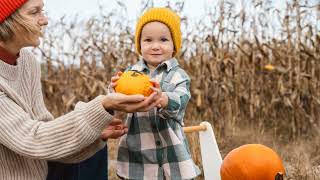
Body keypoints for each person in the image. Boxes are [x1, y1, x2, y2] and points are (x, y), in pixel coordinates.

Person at [0, 0, 161, 180]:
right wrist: (103, 104)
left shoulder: (27, 61)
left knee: (90, 140)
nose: (44, 20)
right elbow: (33, 139)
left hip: (41, 170)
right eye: (34, 12)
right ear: (6, 20)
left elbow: (45, 129)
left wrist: (93, 132)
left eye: (42, 11)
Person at [113, 7, 201, 180]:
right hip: (138, 155)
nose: (155, 46)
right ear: (140, 45)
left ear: (174, 45)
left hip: (172, 157)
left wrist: (163, 98)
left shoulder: (178, 76)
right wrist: (114, 89)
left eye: (163, 40)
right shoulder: (130, 73)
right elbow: (118, 102)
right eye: (147, 40)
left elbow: (181, 100)